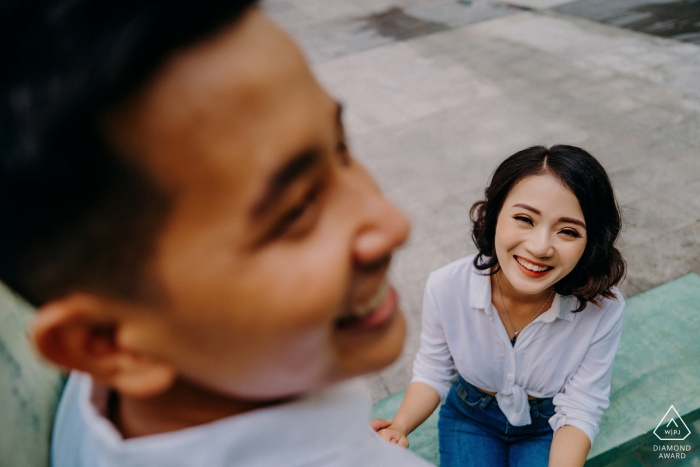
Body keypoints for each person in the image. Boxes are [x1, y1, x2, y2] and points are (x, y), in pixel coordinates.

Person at [0, 1, 433, 466]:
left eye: (342, 148)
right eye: (297, 210)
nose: (393, 223)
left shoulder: (111, 397)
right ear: (107, 344)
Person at [374, 145, 626, 467]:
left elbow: (582, 405)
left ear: (591, 243)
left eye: (568, 231)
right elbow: (434, 369)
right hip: (470, 417)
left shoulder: (603, 307)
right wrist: (399, 425)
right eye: (524, 218)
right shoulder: (447, 286)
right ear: (494, 216)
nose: (539, 247)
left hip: (549, 425)